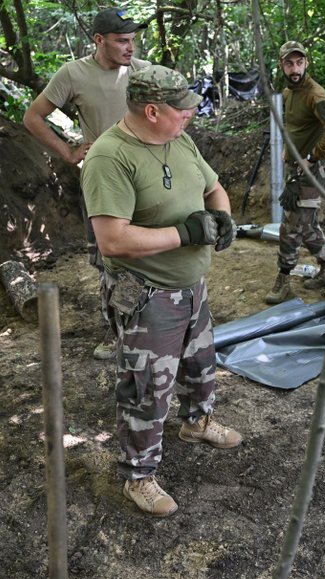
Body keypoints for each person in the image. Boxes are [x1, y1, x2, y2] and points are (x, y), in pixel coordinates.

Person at [81, 65, 242, 517]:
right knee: (146, 387)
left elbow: (214, 188)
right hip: (148, 295)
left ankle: (197, 422)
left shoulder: (178, 137)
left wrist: (221, 216)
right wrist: (186, 234)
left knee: (200, 362)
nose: (191, 114)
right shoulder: (109, 158)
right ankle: (139, 477)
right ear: (151, 110)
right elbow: (113, 240)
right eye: (182, 108)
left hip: (192, 286)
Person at [23, 6, 150, 360]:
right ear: (99, 40)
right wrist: (67, 151)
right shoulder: (73, 74)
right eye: (122, 40)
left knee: (147, 254)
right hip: (102, 183)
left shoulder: (142, 73)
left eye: (133, 40)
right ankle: (116, 331)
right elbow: (33, 117)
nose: (130, 48)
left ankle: (143, 326)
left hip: (145, 181)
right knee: (108, 259)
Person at [264, 40, 325, 305]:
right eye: (289, 63)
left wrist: (310, 158)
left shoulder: (315, 94)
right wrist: (289, 152)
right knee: (306, 224)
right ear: (282, 65)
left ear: (306, 63)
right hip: (297, 167)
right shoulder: (290, 93)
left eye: (299, 63)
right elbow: (296, 128)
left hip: (311, 171)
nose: (295, 68)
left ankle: (283, 279)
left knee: (291, 227)